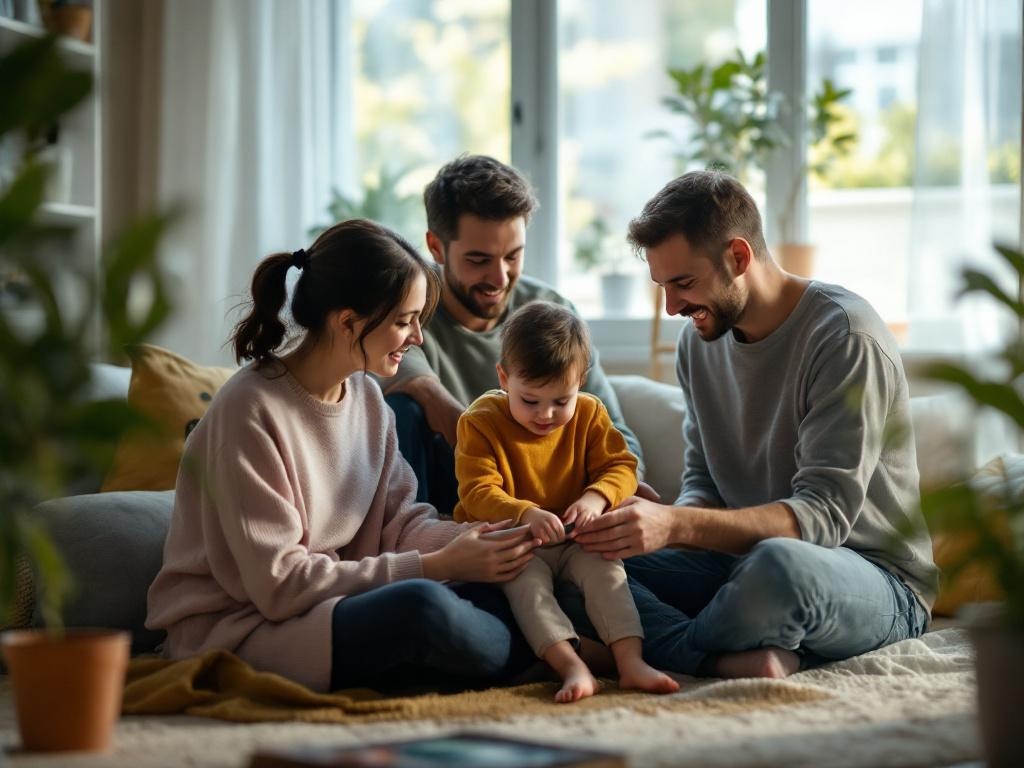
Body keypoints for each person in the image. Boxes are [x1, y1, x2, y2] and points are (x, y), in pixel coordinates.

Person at [146, 219, 538, 694]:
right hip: (243, 627)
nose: (416, 337)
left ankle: (523, 649)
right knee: (422, 608)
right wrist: (441, 565)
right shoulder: (249, 411)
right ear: (347, 320)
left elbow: (400, 524)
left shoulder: (367, 399)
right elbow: (281, 586)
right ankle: (548, 651)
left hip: (326, 606)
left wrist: (478, 540)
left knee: (509, 575)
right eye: (402, 320)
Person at [574, 170, 938, 679]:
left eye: (683, 283)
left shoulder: (844, 337)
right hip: (737, 562)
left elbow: (823, 519)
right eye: (661, 286)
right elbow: (703, 479)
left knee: (778, 568)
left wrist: (680, 526)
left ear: (738, 258)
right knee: (575, 569)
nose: (672, 307)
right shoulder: (697, 345)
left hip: (868, 575)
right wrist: (659, 530)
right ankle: (731, 654)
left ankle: (660, 647)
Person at [383, 154, 653, 516]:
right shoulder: (406, 310)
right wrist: (458, 416)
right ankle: (419, 540)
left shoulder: (552, 311)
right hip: (452, 495)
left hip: (557, 509)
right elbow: (398, 373)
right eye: (479, 260)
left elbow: (618, 435)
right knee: (403, 407)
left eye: (513, 256)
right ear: (435, 246)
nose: (500, 278)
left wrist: (609, 492)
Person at [453, 301, 679, 702]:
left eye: (561, 401)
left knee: (610, 576)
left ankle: (630, 663)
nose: (546, 415)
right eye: (530, 401)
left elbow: (623, 467)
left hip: (579, 538)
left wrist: (596, 497)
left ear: (581, 382)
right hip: (519, 542)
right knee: (528, 592)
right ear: (504, 378)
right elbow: (477, 494)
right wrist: (526, 511)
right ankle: (573, 668)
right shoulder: (479, 421)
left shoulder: (590, 413)